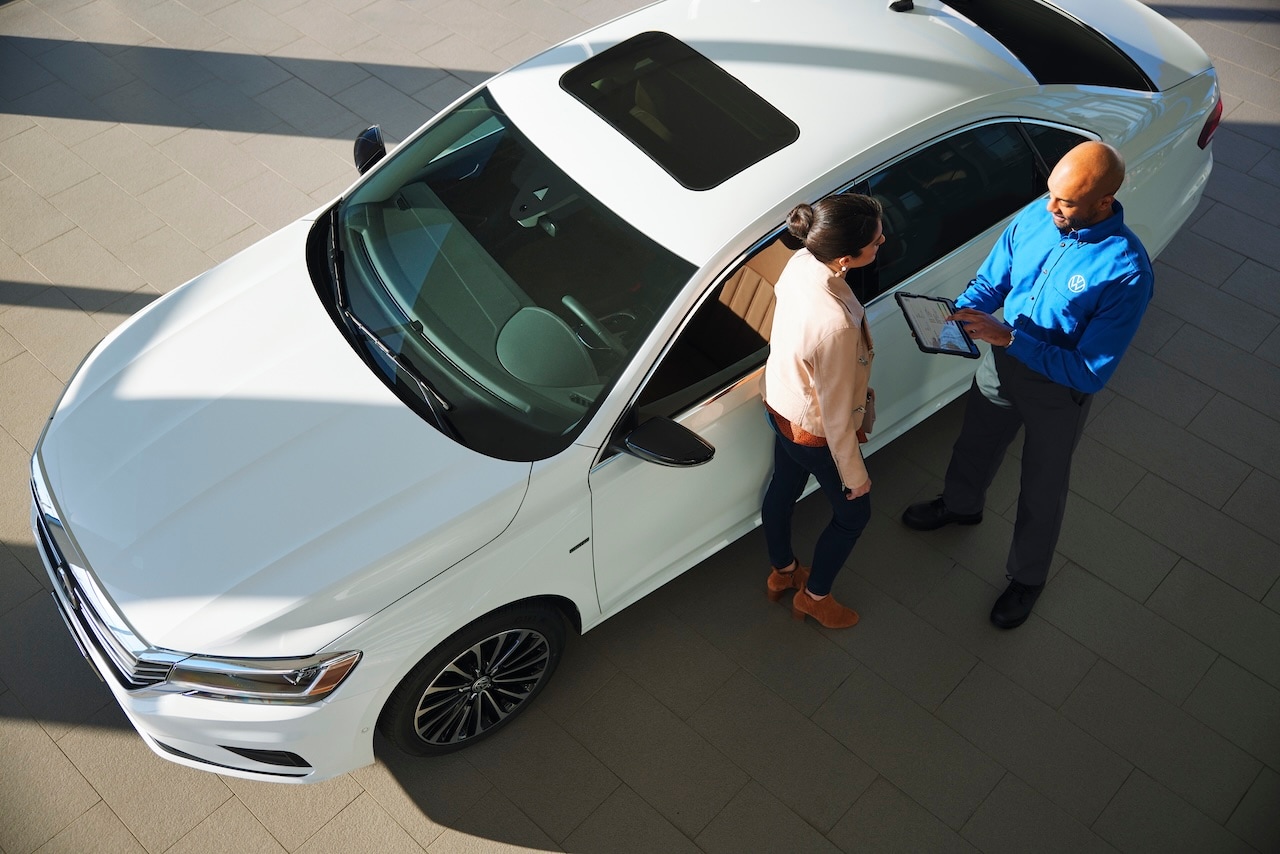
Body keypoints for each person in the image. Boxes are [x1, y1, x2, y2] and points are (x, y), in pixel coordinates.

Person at [902, 140, 1153, 629]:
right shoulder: (1037, 217)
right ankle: (960, 506)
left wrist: (1010, 337)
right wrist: (961, 312)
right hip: (1002, 363)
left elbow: (1090, 371)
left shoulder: (1126, 272)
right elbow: (991, 283)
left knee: (1042, 486)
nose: (1051, 207)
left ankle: (1027, 578)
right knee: (974, 443)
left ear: (1105, 201)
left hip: (1056, 393)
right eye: (1050, 194)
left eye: (1066, 202)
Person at [761, 194, 885, 629]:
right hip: (812, 432)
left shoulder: (802, 263)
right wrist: (856, 477)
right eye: (875, 241)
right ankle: (815, 597)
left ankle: (783, 572)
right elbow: (834, 417)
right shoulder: (834, 325)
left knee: (783, 487)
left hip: (779, 405)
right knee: (855, 515)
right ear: (846, 258)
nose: (882, 241)